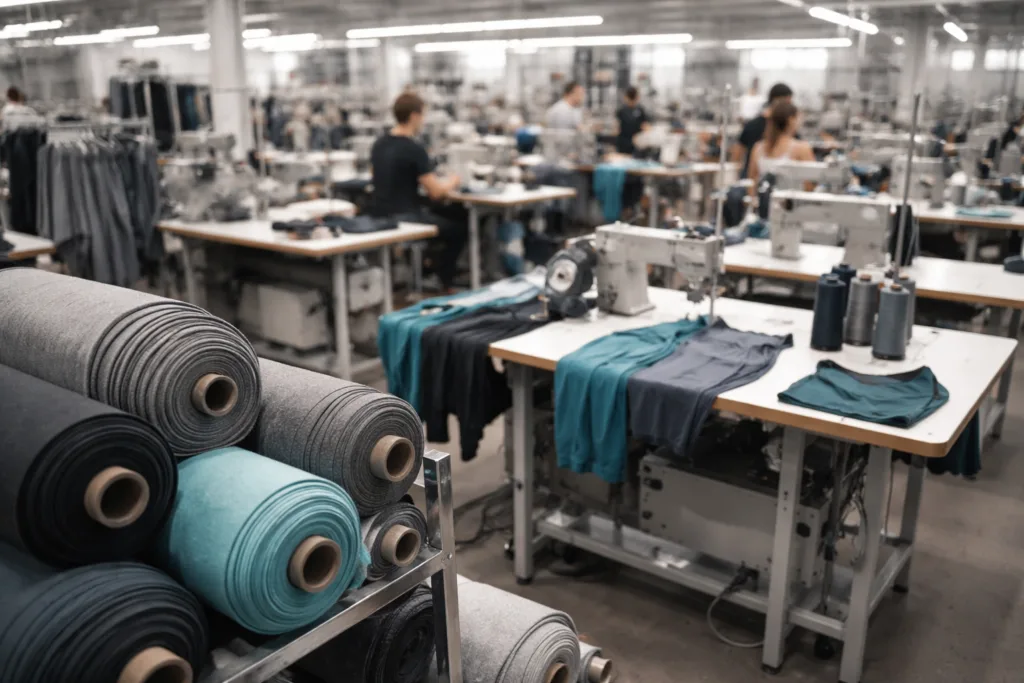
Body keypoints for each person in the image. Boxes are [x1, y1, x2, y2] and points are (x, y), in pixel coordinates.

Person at [369, 92, 467, 290]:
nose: (423, 121)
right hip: (406, 216)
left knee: (451, 213)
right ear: (414, 116)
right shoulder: (414, 149)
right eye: (423, 115)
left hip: (379, 213)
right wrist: (454, 181)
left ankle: (427, 267)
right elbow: (436, 192)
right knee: (460, 228)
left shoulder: (379, 144)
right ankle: (442, 278)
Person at [731, 82, 793, 178]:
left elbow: (738, 151)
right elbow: (738, 151)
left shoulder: (752, 125)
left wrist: (738, 175)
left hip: (753, 177)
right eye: (788, 101)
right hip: (766, 177)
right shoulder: (786, 128)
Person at [747, 101, 814, 188]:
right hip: (792, 196)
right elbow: (810, 184)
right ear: (791, 120)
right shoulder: (802, 148)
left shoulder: (758, 147)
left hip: (763, 195)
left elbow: (752, 181)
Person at [614, 86, 651, 156]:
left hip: (636, 143)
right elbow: (616, 129)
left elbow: (646, 126)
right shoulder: (622, 111)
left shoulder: (640, 110)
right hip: (624, 143)